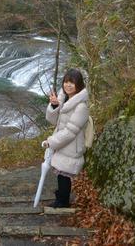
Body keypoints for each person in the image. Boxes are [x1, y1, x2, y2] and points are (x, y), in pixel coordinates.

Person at [42, 68, 89, 208]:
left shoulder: (81, 106)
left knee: (64, 174)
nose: (68, 85)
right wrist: (54, 105)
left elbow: (70, 132)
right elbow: (52, 120)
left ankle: (62, 202)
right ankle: (61, 198)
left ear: (79, 85)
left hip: (71, 145)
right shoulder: (64, 98)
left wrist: (51, 142)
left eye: (72, 83)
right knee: (61, 173)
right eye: (66, 82)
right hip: (62, 142)